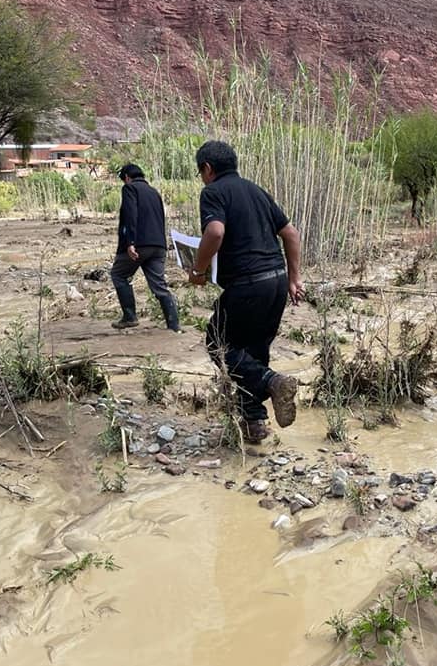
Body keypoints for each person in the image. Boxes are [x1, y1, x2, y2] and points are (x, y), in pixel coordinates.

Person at [187, 140, 304, 443]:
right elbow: (290, 233)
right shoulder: (256, 190)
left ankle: (272, 382)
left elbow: (215, 231)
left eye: (201, 172)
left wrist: (198, 270)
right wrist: (294, 278)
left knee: (218, 344)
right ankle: (254, 422)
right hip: (276, 281)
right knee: (255, 350)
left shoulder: (212, 192)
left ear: (208, 169)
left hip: (247, 283)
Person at [110, 163, 180, 332]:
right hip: (158, 245)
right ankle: (174, 325)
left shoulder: (130, 189)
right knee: (159, 285)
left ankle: (130, 317)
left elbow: (130, 215)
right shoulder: (154, 192)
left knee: (119, 274)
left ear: (127, 177)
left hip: (139, 244)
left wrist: (130, 242)